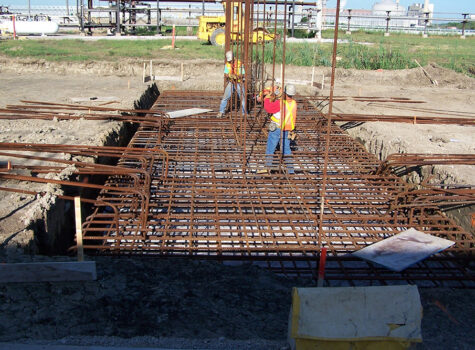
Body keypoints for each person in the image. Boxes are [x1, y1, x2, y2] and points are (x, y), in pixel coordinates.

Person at [258, 84, 297, 174]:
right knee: (286, 149)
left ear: (285, 93)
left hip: (277, 129)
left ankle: (268, 167)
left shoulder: (280, 103)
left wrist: (267, 98)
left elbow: (268, 108)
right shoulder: (294, 103)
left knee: (270, 148)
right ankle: (291, 170)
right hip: (287, 129)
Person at [217, 50, 246, 118]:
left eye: (231, 60)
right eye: (229, 61)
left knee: (243, 98)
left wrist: (237, 76)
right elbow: (226, 74)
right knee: (225, 98)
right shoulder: (227, 64)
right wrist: (230, 76)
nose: (230, 62)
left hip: (239, 82)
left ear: (233, 57)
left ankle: (244, 113)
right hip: (231, 82)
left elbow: (243, 74)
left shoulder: (239, 64)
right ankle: (221, 111)